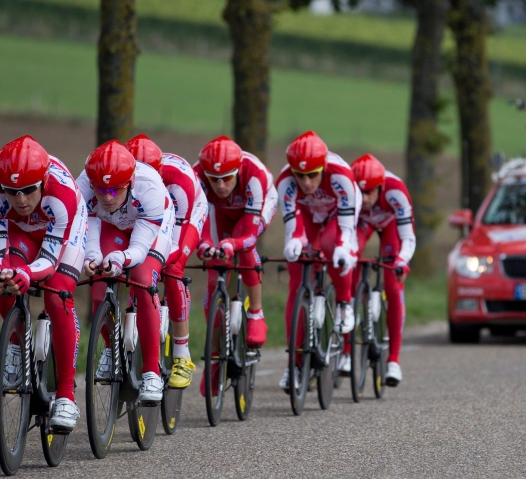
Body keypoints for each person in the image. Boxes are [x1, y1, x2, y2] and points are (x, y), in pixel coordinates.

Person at [0, 135, 88, 432]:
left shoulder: (61, 194)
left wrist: (26, 273)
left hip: (64, 230)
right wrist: (0, 274)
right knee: (5, 283)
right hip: (22, 232)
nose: (21, 200)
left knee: (57, 296)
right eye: (12, 192)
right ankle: (16, 346)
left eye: (28, 190)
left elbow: (49, 263)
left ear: (43, 181)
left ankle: (66, 394)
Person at [78, 140, 176, 406]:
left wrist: (122, 258)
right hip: (111, 226)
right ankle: (111, 350)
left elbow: (140, 248)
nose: (107, 197)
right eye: (101, 189)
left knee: (143, 281)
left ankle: (152, 371)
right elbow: (90, 227)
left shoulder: (150, 188)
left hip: (149, 229)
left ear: (130, 182)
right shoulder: (83, 186)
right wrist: (92, 258)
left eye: (115, 190)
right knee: (99, 285)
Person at [275, 130, 359, 390]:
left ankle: (345, 303)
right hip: (308, 217)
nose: (307, 182)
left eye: (313, 175)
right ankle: (295, 365)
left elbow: (346, 229)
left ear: (323, 168)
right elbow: (294, 229)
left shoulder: (341, 177)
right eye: (300, 176)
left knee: (332, 246)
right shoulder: (285, 181)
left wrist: (344, 251)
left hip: (337, 215)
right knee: (296, 277)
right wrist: (294, 243)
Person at [194, 136, 277, 393]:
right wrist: (205, 245)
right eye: (214, 179)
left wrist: (232, 244)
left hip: (252, 214)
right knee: (213, 271)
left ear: (238, 171)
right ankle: (216, 355)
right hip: (220, 214)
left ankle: (256, 314)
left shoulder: (254, 174)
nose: (220, 185)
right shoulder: (196, 175)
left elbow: (250, 234)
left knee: (246, 247)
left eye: (227, 178)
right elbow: (200, 223)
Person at [125, 134, 208, 390]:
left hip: (187, 216)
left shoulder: (179, 182)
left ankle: (182, 354)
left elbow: (173, 242)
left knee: (172, 268)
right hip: (145, 215)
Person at [351, 153, 414, 386]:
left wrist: (401, 261)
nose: (365, 198)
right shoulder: (352, 192)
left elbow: (408, 237)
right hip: (363, 224)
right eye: (360, 192)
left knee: (393, 285)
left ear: (380, 187)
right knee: (350, 263)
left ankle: (394, 360)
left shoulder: (395, 191)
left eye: (369, 192)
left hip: (390, 225)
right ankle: (347, 353)